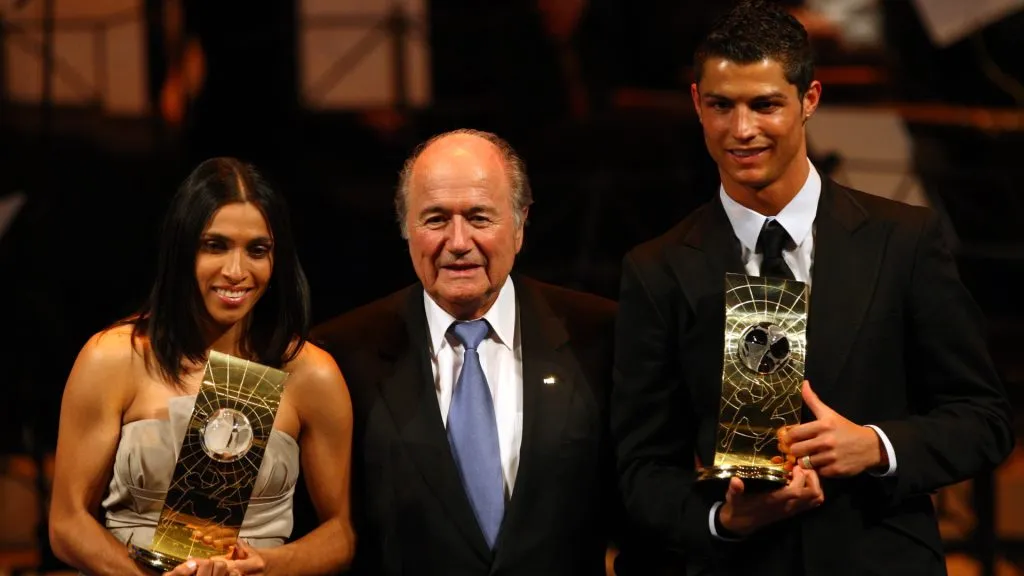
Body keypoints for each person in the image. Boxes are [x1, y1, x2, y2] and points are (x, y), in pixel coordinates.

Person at [610, 1, 1015, 575]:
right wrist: (723, 521)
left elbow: (986, 420)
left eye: (765, 104)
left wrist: (875, 446)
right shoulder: (657, 268)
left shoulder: (904, 241)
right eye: (722, 105)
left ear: (810, 100)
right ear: (698, 104)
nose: (741, 129)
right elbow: (642, 468)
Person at [312, 129, 627, 575]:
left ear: (519, 224)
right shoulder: (340, 356)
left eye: (480, 218)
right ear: (406, 228)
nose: (458, 242)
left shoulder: (603, 335)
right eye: (436, 219)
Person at [48, 157, 355, 575]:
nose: (235, 271)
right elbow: (67, 523)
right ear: (182, 249)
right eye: (215, 245)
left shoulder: (311, 373)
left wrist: (266, 565)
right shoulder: (114, 358)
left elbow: (340, 533)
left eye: (257, 250)